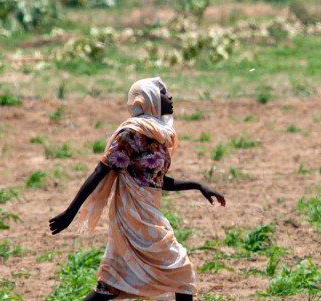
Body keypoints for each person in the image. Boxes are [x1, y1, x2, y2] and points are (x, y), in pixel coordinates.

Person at [49, 77, 225, 301]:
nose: (169, 97)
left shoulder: (156, 133)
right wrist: (70, 213)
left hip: (148, 213)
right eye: (162, 93)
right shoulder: (131, 133)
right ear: (148, 99)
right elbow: (99, 172)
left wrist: (197, 185)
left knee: (110, 285)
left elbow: (154, 178)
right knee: (180, 270)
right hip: (133, 216)